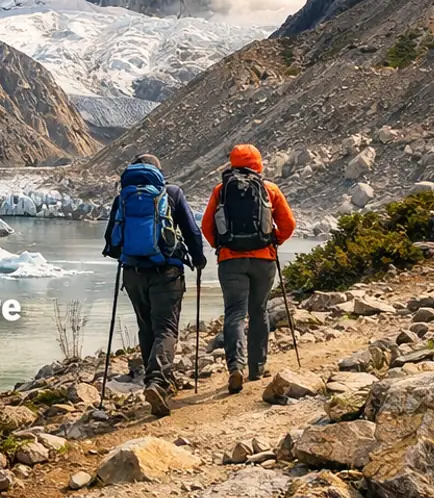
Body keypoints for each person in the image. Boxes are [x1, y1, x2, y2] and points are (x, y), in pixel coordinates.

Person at [103, 153, 205, 417]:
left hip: (133, 273)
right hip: (166, 271)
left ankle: (153, 380)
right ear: (159, 172)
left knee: (146, 327)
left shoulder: (123, 197)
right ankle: (158, 382)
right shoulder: (171, 193)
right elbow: (192, 231)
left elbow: (111, 241)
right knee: (166, 328)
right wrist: (199, 258)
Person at [202, 144, 296, 394]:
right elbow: (288, 224)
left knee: (234, 313)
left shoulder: (221, 190)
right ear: (258, 164)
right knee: (259, 311)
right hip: (263, 260)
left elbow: (206, 226)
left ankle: (236, 367)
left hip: (230, 261)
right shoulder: (269, 189)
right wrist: (273, 241)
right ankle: (257, 367)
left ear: (232, 163)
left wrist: (221, 246)